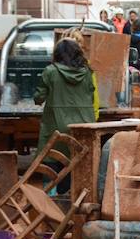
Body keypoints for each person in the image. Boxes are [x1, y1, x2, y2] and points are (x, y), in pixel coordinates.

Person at [34, 38, 98, 193]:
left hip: (56, 125)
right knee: (75, 164)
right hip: (83, 126)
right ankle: (70, 198)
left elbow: (38, 98)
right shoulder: (88, 72)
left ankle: (50, 199)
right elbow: (91, 95)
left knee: (50, 160)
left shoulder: (50, 71)